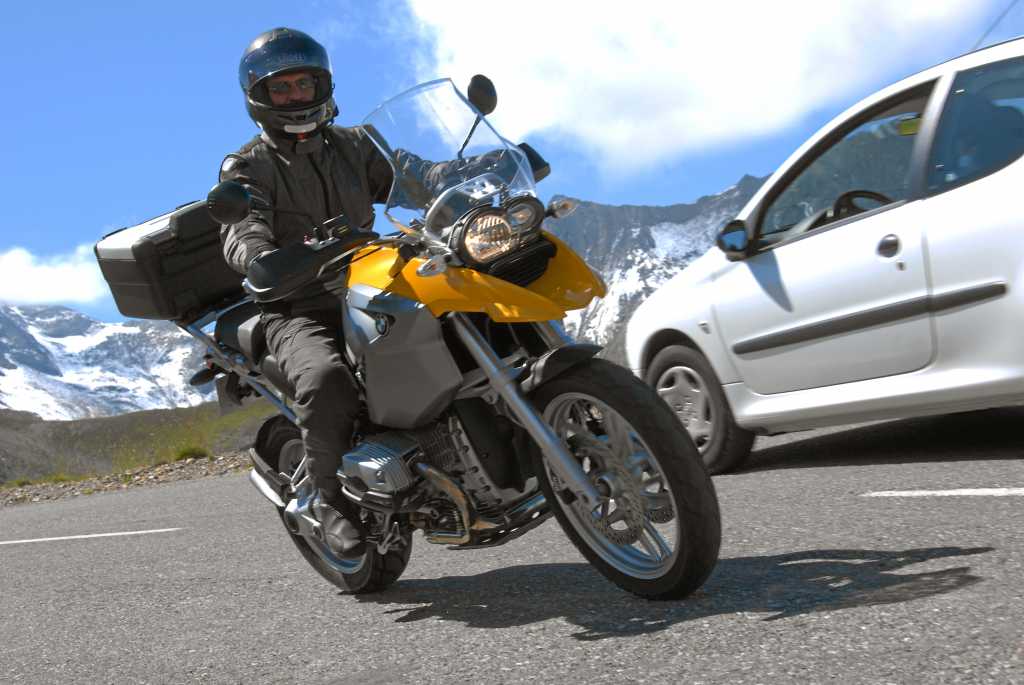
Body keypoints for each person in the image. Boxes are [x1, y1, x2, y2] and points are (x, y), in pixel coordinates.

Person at [219, 27, 395, 558]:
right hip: (297, 302)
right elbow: (242, 226)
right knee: (325, 378)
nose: (296, 96)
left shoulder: (356, 144)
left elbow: (412, 176)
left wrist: (473, 172)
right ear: (260, 97)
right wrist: (260, 255)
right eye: (282, 88)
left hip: (371, 281)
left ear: (323, 84)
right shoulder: (248, 165)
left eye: (304, 83)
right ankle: (330, 500)